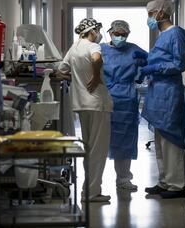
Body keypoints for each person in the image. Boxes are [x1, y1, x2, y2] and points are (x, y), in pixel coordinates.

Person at [140, 0, 185, 199]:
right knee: (161, 141)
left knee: (171, 141)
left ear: (162, 13)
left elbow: (179, 64)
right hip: (158, 91)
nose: (150, 18)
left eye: (152, 13)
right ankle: (165, 182)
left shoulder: (176, 33)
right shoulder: (163, 35)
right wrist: (146, 61)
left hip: (169, 93)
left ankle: (177, 185)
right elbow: (161, 58)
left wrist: (155, 68)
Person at [57, 18, 114, 202]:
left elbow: (59, 71)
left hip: (81, 104)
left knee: (89, 147)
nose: (98, 34)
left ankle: (86, 190)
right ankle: (92, 192)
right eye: (97, 30)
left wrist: (76, 77)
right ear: (92, 31)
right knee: (98, 149)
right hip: (97, 104)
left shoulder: (73, 48)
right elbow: (96, 59)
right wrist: (96, 75)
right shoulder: (92, 46)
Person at [100, 20, 148, 191]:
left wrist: (140, 77)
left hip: (127, 99)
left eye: (124, 34)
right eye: (117, 33)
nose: (120, 37)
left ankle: (123, 179)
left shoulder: (134, 49)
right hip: (104, 97)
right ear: (110, 33)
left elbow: (148, 63)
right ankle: (95, 182)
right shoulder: (101, 49)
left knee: (125, 140)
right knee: (101, 139)